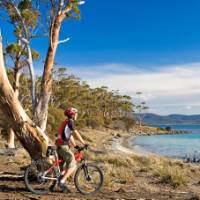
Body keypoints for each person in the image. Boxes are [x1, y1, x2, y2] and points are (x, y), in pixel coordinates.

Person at [55, 107, 87, 192]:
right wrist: (84, 143)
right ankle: (62, 182)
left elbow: (70, 136)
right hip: (63, 146)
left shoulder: (65, 122)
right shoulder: (70, 122)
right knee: (73, 165)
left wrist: (76, 146)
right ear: (73, 115)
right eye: (76, 114)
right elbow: (76, 133)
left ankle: (58, 183)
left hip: (60, 146)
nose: (77, 115)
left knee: (64, 167)